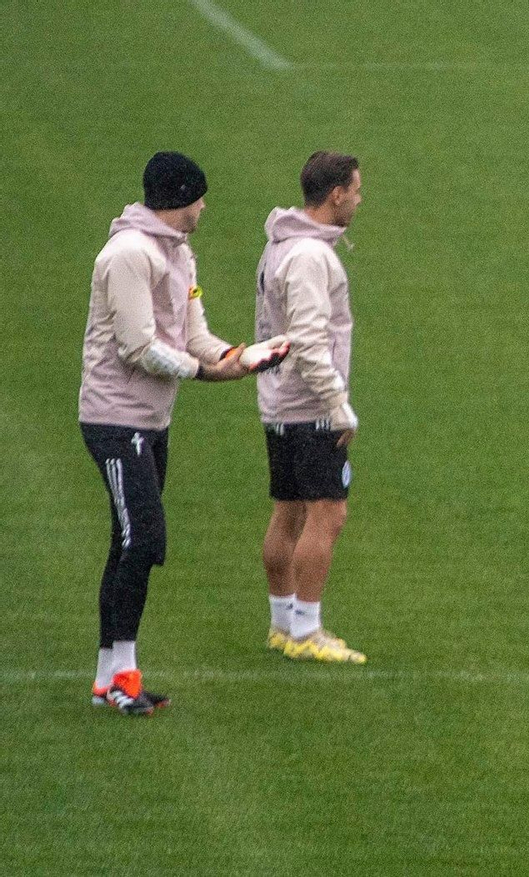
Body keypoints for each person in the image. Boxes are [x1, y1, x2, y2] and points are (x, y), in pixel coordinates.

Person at [80, 152, 284, 715]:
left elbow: (194, 334)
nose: (204, 206)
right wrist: (205, 370)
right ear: (177, 199)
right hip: (114, 420)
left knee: (128, 545)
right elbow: (138, 346)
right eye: (198, 197)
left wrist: (239, 356)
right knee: (143, 540)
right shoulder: (128, 255)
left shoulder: (179, 254)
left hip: (151, 420)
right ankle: (123, 675)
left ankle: (109, 678)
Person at [255, 151, 367, 664]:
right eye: (357, 191)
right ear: (336, 194)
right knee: (328, 515)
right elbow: (308, 340)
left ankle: (283, 624)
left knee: (290, 512)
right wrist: (338, 405)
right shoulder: (309, 257)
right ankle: (305, 631)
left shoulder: (282, 247)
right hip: (309, 406)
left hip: (281, 404)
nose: (360, 200)